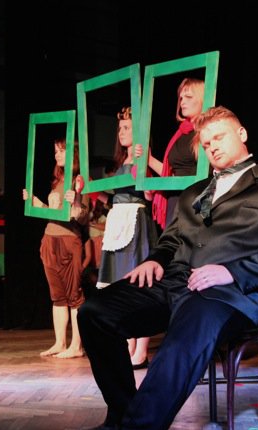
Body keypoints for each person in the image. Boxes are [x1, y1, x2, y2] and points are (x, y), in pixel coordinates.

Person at [75, 105, 258, 430]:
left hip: (226, 294)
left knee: (186, 336)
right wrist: (154, 259)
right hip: (174, 282)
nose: (212, 146)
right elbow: (171, 241)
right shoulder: (193, 193)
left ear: (242, 134)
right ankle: (122, 416)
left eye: (220, 137)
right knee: (95, 312)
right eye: (206, 142)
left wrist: (232, 271)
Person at [94, 106, 160, 369]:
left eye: (127, 128)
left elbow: (151, 196)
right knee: (121, 286)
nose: (121, 132)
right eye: (120, 128)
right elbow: (115, 200)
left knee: (138, 285)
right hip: (118, 222)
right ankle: (129, 345)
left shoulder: (141, 162)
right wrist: (92, 192)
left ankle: (140, 350)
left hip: (136, 224)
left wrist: (143, 177)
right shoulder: (122, 164)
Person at [23, 139, 90, 359]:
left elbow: (83, 217)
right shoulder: (58, 181)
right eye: (55, 151)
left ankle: (76, 346)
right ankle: (60, 343)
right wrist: (34, 203)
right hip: (49, 239)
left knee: (74, 294)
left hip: (68, 240)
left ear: (74, 154)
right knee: (57, 295)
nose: (57, 155)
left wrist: (77, 200)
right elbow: (53, 213)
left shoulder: (81, 180)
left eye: (62, 150)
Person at [147, 77, 206, 230]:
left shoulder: (206, 132)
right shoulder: (180, 133)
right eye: (181, 98)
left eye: (188, 97)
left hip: (195, 199)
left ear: (202, 99)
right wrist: (149, 160)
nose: (182, 102)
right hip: (175, 200)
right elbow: (171, 173)